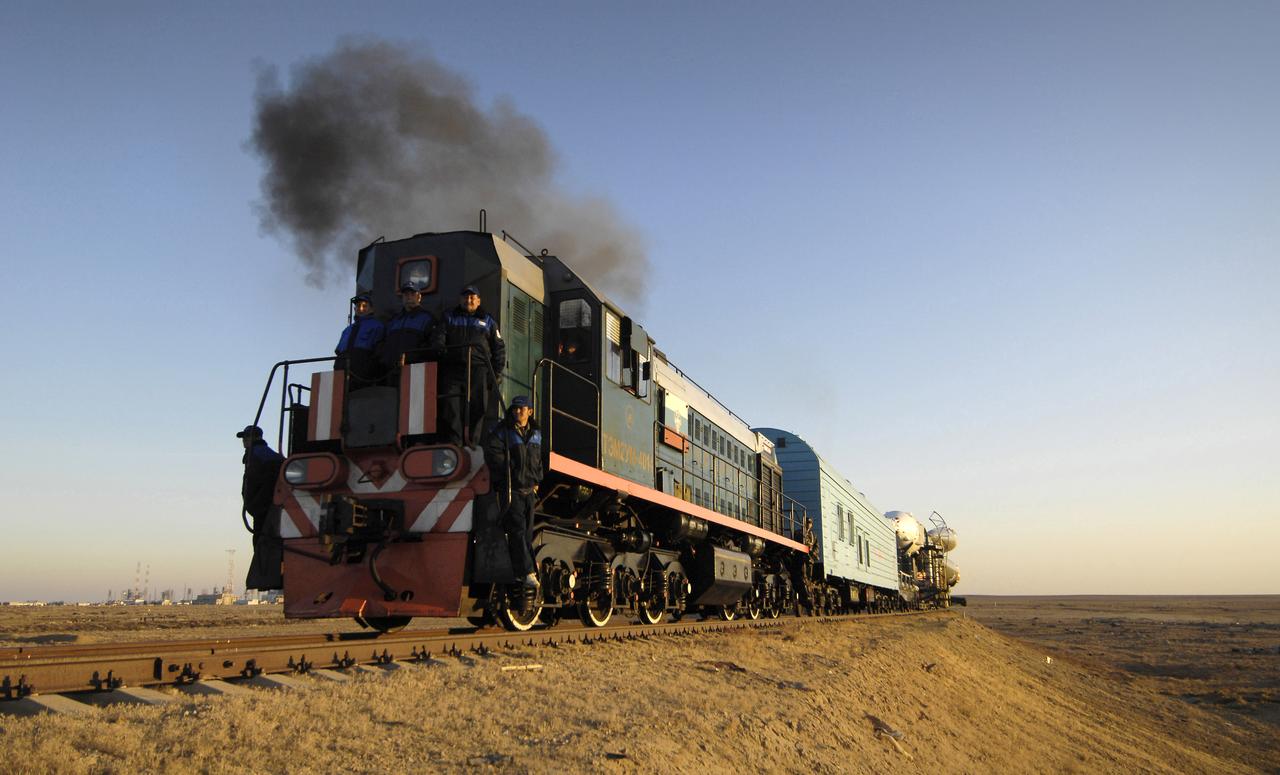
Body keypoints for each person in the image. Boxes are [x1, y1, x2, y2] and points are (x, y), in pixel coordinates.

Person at [432, 285, 505, 445]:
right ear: (460, 299)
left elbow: (498, 347)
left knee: (478, 405)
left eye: (472, 297)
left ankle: (472, 440)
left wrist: (497, 372)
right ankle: (454, 441)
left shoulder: (488, 321)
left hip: (479, 369)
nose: (469, 300)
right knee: (451, 406)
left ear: (478, 301)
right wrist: (442, 352)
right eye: (465, 297)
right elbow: (439, 337)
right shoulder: (449, 316)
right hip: (453, 369)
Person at [483, 396, 542, 588]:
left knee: (525, 533)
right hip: (512, 489)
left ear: (530, 411)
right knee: (516, 529)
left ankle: (520, 572)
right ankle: (527, 572)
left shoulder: (536, 434)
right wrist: (511, 475)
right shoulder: (502, 432)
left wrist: (536, 480)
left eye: (522, 409)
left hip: (529, 491)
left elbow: (538, 460)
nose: (518, 412)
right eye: (515, 409)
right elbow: (493, 454)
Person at [238, 425, 284, 590]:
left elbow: (262, 482)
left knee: (263, 540)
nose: (244, 441)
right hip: (265, 505)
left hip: (263, 507)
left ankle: (268, 575)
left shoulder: (259, 455)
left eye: (246, 437)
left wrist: (257, 502)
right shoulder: (264, 455)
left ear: (253, 438)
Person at [379, 283, 436, 372]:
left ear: (419, 297)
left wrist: (414, 358)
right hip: (391, 370)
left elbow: (432, 345)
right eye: (406, 294)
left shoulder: (427, 319)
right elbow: (384, 342)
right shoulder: (394, 320)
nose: (409, 297)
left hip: (415, 369)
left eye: (412, 294)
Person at [335, 294, 385, 385]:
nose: (360, 309)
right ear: (354, 309)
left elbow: (379, 350)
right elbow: (338, 351)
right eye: (358, 306)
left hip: (363, 372)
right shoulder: (347, 330)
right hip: (342, 370)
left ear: (372, 309)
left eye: (364, 306)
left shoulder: (377, 326)